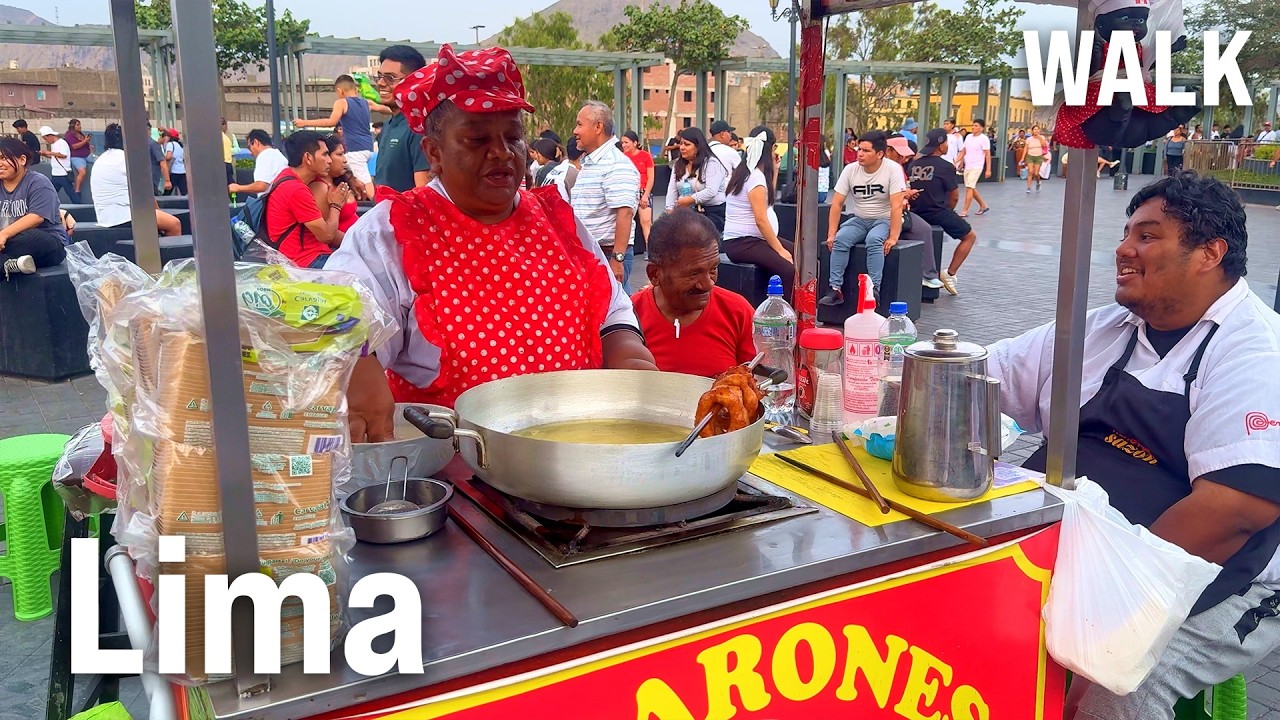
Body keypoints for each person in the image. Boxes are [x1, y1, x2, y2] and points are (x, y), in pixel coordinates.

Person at [988, 172, 1280, 720]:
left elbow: (1234, 511)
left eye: (1147, 236)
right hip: (1078, 550)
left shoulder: (1257, 350)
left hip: (1221, 577)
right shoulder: (1100, 330)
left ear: (1209, 254)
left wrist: (1108, 618)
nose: (1123, 249)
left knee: (1112, 693)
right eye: (1127, 233)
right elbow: (988, 375)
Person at [325, 44, 656, 435]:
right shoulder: (394, 230)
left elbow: (611, 306)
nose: (501, 153)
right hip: (452, 465)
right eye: (477, 140)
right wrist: (358, 366)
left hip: (570, 447)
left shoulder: (555, 218)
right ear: (434, 152)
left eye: (512, 137)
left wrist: (628, 352)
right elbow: (338, 312)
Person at [632, 209, 756, 377]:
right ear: (655, 274)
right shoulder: (629, 318)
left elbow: (759, 382)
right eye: (693, 274)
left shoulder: (737, 311)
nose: (708, 284)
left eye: (713, 269)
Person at [820, 130, 906, 305]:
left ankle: (874, 289)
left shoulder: (893, 169)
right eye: (859, 149)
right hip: (859, 219)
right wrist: (831, 233)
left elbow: (897, 205)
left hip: (883, 219)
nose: (860, 154)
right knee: (841, 239)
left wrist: (893, 236)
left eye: (866, 151)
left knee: (874, 240)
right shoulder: (850, 169)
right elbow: (836, 203)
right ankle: (835, 289)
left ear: (880, 154)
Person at [572, 100, 640, 288]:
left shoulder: (616, 164)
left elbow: (625, 213)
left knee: (613, 314)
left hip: (608, 255)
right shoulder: (591, 163)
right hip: (590, 253)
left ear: (598, 127)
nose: (575, 131)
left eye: (579, 124)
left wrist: (617, 259)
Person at [722, 125, 795, 299]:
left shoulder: (746, 173)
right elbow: (761, 220)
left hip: (750, 241)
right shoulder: (755, 176)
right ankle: (784, 315)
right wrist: (779, 249)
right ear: (771, 148)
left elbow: (767, 202)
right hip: (744, 243)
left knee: (804, 257)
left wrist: (775, 172)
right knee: (788, 268)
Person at [908, 129, 978, 296]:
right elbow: (954, 197)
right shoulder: (946, 166)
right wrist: (949, 211)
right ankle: (950, 273)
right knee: (970, 237)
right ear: (940, 146)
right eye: (946, 143)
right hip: (937, 211)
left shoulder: (913, 164)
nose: (947, 146)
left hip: (916, 213)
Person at [264, 130, 346, 269]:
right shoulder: (295, 190)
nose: (329, 160)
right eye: (325, 154)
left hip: (308, 257)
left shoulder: (286, 176)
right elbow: (326, 235)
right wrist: (335, 206)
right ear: (308, 158)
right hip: (306, 262)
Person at [293, 74, 392, 188]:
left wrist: (304, 123)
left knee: (365, 183)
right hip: (368, 147)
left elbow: (331, 122)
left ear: (339, 91)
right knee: (355, 178)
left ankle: (378, 203)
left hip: (355, 149)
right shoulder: (367, 103)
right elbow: (388, 109)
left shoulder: (342, 103)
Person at [90, 124, 182, 236]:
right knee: (174, 224)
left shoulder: (101, 159)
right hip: (125, 216)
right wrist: (158, 212)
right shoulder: (127, 159)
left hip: (104, 217)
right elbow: (146, 193)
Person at [0, 138, 68, 280]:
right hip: (9, 246)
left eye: (3, 158)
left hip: (46, 244)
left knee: (31, 236)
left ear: (22, 159)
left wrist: (4, 234)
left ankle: (7, 263)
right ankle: (11, 264)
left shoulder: (38, 182)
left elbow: (36, 217)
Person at [884, 133, 943, 292]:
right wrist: (905, 194)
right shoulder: (886, 168)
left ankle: (927, 274)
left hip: (900, 210)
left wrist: (906, 193)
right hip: (888, 212)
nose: (904, 158)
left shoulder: (897, 168)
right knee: (923, 229)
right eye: (900, 154)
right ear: (888, 151)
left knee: (923, 228)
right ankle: (928, 274)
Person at [372, 45, 432, 193]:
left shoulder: (418, 127)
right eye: (379, 76)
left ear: (414, 82)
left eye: (390, 78)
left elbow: (423, 190)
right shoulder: (389, 125)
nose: (380, 83)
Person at [664, 127, 729, 234]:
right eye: (681, 144)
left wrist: (690, 200)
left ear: (698, 147)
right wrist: (670, 210)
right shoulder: (678, 165)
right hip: (686, 212)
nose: (682, 148)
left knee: (698, 238)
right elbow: (672, 190)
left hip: (712, 212)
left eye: (687, 144)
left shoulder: (712, 163)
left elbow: (711, 191)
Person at [311, 134, 360, 235]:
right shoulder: (320, 187)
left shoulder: (339, 181)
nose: (345, 160)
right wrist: (356, 244)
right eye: (339, 154)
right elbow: (326, 233)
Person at [229, 129, 289, 198]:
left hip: (273, 203)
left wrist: (238, 188)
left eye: (249, 147)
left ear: (256, 142)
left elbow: (261, 186)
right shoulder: (279, 155)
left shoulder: (264, 156)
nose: (250, 153)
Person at [620, 130, 654, 244]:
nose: (624, 145)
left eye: (626, 142)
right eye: (622, 143)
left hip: (643, 191)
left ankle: (651, 250)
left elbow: (651, 177)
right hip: (628, 192)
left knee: (646, 222)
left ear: (634, 143)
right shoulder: (622, 157)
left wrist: (645, 195)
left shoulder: (646, 156)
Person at [954, 118, 991, 217]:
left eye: (976, 126)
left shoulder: (984, 139)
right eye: (973, 125)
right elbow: (963, 151)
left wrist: (988, 169)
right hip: (968, 165)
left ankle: (965, 210)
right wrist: (956, 162)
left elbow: (987, 154)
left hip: (977, 166)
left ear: (981, 128)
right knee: (970, 187)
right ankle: (983, 205)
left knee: (969, 187)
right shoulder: (969, 137)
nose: (974, 127)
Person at [38, 126, 79, 204]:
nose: (46, 141)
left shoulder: (62, 143)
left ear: (49, 136)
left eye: (45, 139)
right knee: (51, 191)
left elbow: (63, 155)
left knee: (70, 192)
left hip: (63, 173)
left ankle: (78, 204)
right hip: (56, 173)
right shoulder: (55, 144)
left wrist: (49, 153)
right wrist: (44, 154)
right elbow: (55, 156)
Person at [530, 137, 573, 202]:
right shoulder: (561, 167)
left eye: (537, 153)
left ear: (543, 153)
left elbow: (537, 194)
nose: (536, 156)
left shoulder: (542, 171)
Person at [65, 119, 92, 197]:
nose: (80, 126)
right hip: (77, 156)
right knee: (82, 172)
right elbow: (75, 146)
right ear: (73, 126)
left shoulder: (81, 134)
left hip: (87, 154)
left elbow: (84, 145)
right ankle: (77, 190)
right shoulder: (69, 135)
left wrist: (88, 145)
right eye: (77, 125)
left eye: (80, 124)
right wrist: (85, 141)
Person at [160, 129, 187, 195]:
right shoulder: (180, 145)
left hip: (174, 171)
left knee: (167, 193)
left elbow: (169, 156)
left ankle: (163, 205)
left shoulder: (170, 144)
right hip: (182, 171)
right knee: (184, 192)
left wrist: (162, 158)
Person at [1025, 125, 1049, 192]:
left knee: (1036, 173)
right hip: (1030, 156)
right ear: (1032, 131)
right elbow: (1025, 148)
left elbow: (1044, 145)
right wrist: (1023, 157)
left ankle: (1038, 182)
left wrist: (1040, 138)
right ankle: (1028, 188)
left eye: (1037, 129)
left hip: (1038, 156)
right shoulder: (1029, 139)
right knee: (1030, 171)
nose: (1036, 130)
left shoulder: (1042, 137)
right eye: (1034, 129)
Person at [148, 124, 170, 195]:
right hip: (153, 178)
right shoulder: (153, 144)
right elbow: (162, 162)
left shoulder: (135, 144)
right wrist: (167, 180)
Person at [220, 117, 237, 187]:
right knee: (230, 183)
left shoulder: (226, 137)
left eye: (223, 124)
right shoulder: (225, 137)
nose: (223, 126)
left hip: (225, 163)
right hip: (227, 163)